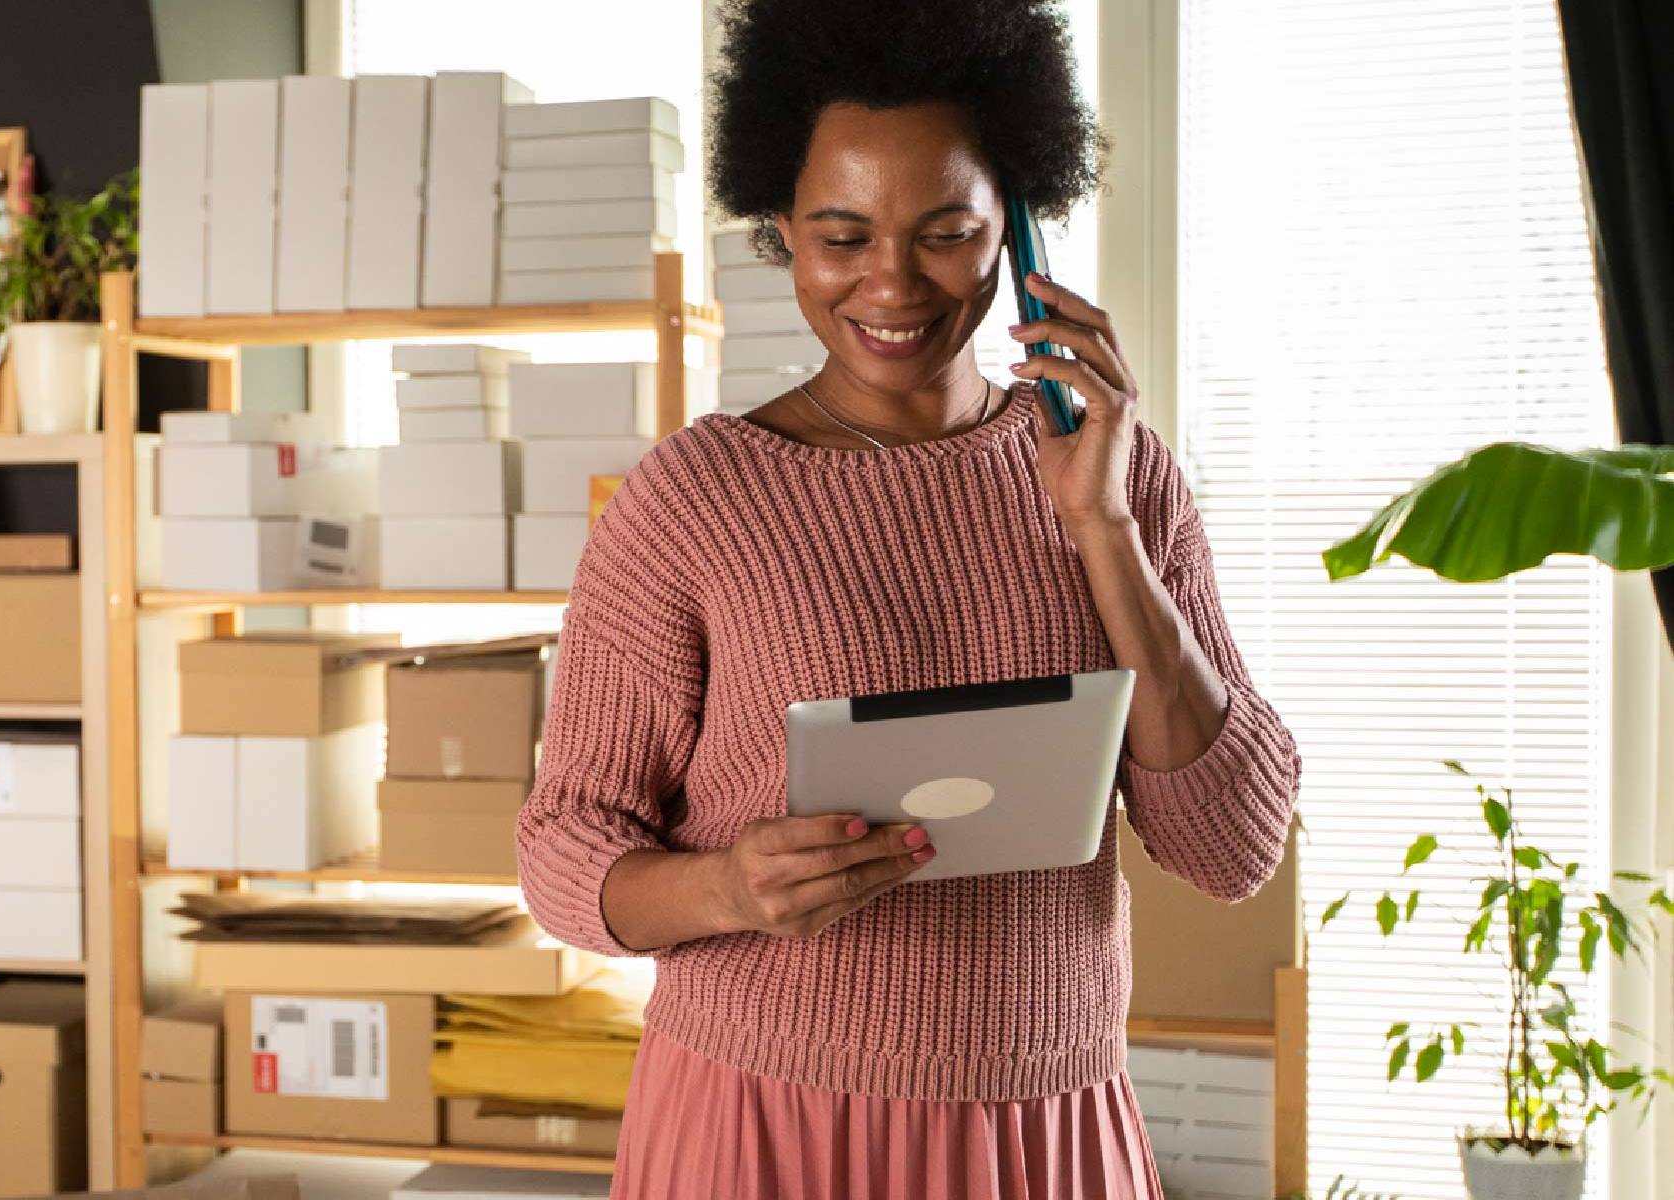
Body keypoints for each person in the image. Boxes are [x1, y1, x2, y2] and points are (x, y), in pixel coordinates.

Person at [514, 1, 1303, 1195]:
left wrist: (1101, 524)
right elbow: (563, 852)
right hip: (762, 1118)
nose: (891, 284)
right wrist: (725, 887)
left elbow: (1232, 844)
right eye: (842, 236)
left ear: (1018, 231)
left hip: (1046, 1123)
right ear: (782, 227)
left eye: (944, 232)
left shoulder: (1119, 472)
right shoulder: (695, 498)